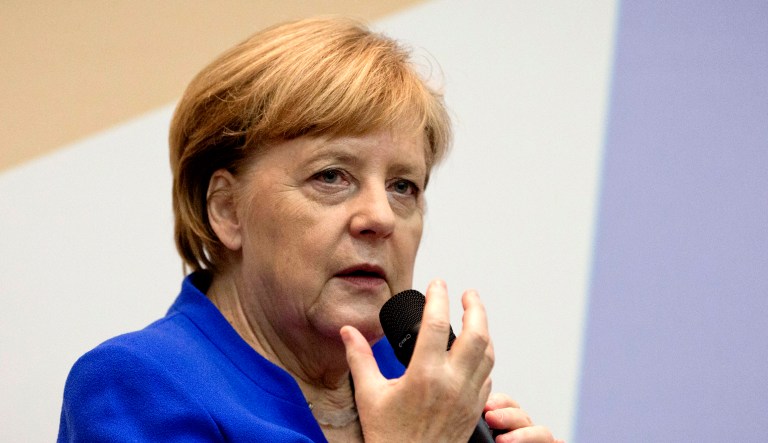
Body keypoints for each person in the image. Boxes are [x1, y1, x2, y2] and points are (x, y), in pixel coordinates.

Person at [58, 16, 561, 442]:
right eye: (331, 176)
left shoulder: (418, 386)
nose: (380, 217)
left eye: (403, 186)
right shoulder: (139, 385)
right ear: (227, 210)